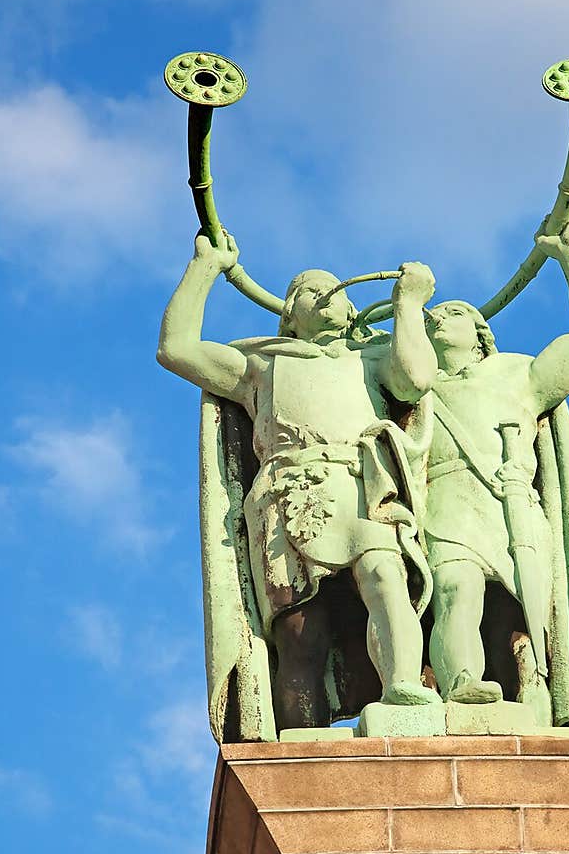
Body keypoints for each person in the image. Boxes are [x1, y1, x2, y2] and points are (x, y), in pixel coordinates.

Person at [157, 229, 441, 733]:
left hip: (363, 483)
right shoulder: (263, 365)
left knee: (384, 576)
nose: (326, 295)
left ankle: (403, 690)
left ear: (353, 312)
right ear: (289, 315)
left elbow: (415, 380)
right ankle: (301, 738)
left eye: (335, 289)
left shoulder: (370, 358)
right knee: (299, 632)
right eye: (310, 290)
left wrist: (410, 305)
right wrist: (205, 266)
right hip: (290, 496)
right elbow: (177, 348)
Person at [423, 215, 569, 733]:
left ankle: (538, 695)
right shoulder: (411, 384)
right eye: (433, 315)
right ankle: (462, 684)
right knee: (454, 589)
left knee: (524, 622)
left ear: (480, 332)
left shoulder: (519, 373)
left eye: (454, 311)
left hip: (513, 508)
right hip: (445, 499)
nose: (439, 318)